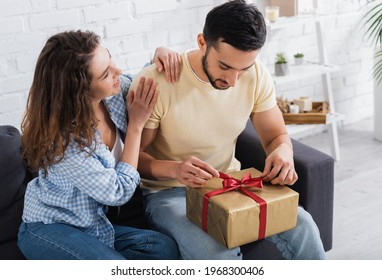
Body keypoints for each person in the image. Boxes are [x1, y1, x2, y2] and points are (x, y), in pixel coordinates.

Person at [131, 0, 326, 260]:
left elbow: (276, 136)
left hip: (232, 181)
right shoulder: (158, 81)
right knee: (216, 253)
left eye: (243, 69)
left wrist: (284, 152)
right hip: (169, 192)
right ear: (202, 43)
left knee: (304, 227)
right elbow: (135, 158)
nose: (233, 81)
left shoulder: (257, 75)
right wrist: (176, 169)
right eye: (225, 67)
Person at [18, 30, 182, 260]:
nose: (118, 71)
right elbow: (118, 191)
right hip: (50, 227)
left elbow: (144, 80)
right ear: (79, 91)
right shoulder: (64, 144)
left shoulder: (112, 96)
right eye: (106, 74)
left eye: (111, 60)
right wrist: (136, 126)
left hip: (92, 225)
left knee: (162, 248)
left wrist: (161, 55)